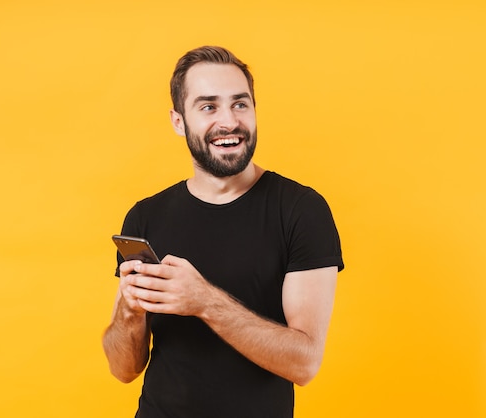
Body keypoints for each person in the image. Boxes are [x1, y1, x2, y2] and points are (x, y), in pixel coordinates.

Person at [102, 45, 344, 418]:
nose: (229, 121)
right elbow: (123, 370)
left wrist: (204, 301)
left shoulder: (301, 211)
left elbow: (304, 364)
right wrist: (129, 313)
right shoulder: (144, 217)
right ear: (179, 121)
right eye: (208, 106)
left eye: (240, 104)